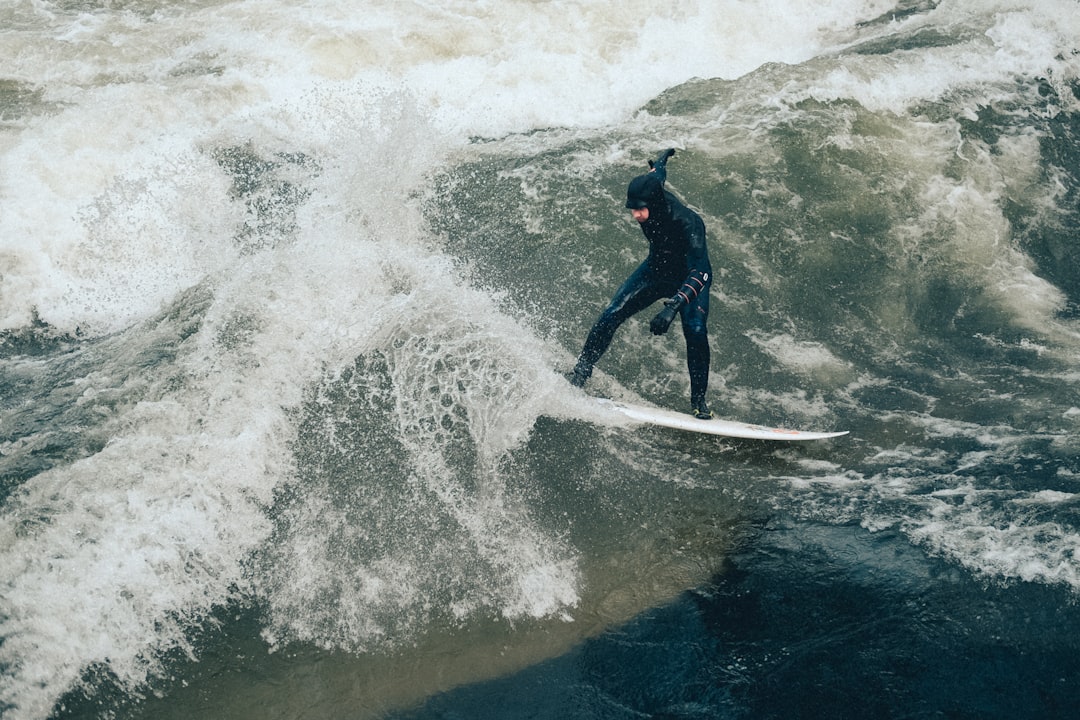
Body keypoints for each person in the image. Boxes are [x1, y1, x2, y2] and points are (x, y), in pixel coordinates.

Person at [569, 148, 714, 419]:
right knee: (612, 313)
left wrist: (673, 307)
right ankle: (580, 372)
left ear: (655, 203)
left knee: (695, 330)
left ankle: (699, 401)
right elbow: (656, 174)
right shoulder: (652, 190)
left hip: (688, 279)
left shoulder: (689, 223)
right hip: (656, 270)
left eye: (639, 210)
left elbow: (702, 273)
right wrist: (662, 159)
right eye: (632, 209)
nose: (635, 215)